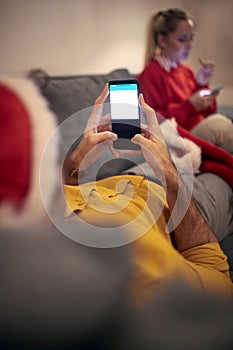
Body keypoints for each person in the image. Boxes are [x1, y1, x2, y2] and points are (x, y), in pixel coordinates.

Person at [63, 84, 233, 306]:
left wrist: (77, 160)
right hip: (179, 202)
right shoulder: (142, 267)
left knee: (211, 131)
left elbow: (67, 191)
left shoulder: (38, 217)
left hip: (130, 175)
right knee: (220, 130)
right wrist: (168, 173)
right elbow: (219, 280)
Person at [137, 8, 233, 153]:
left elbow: (206, 113)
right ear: (162, 40)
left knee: (218, 122)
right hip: (177, 138)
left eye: (191, 38)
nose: (189, 45)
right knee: (219, 125)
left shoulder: (185, 71)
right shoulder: (150, 74)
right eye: (182, 39)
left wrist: (202, 85)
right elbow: (154, 121)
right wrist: (189, 105)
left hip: (196, 130)